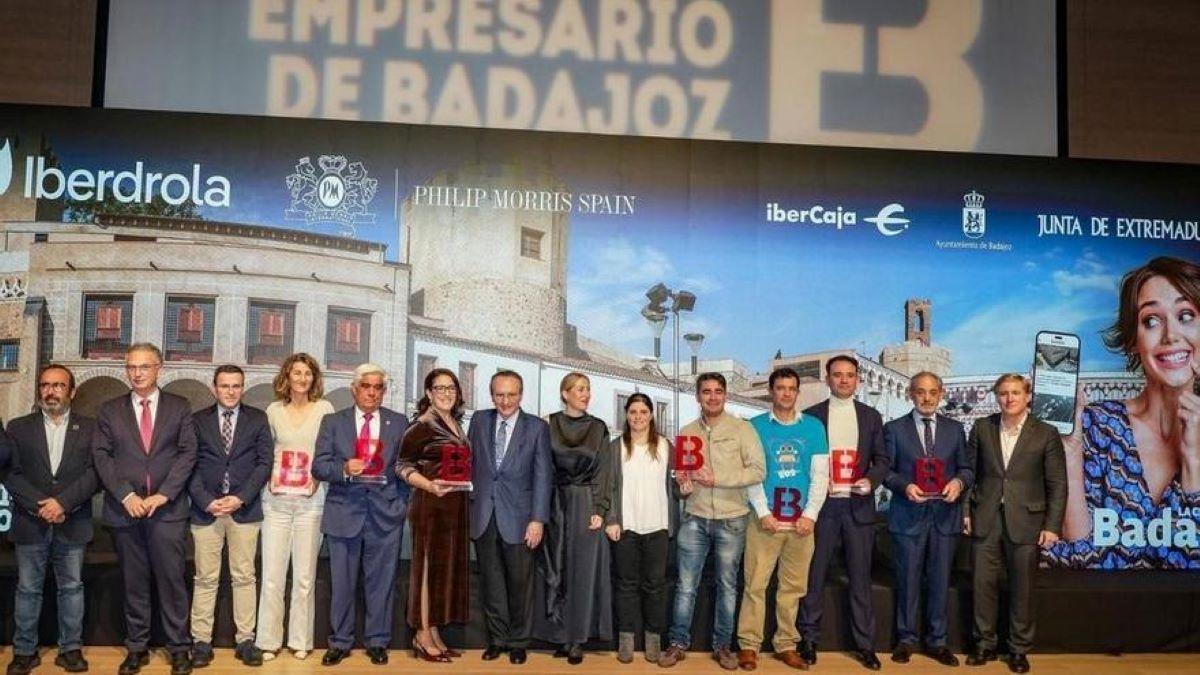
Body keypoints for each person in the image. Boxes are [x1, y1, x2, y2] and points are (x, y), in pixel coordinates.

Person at [1046, 256, 1200, 569]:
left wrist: (1193, 463)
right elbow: (1080, 560)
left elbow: (1189, 565)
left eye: (1186, 315)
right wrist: (1072, 452)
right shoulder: (1098, 427)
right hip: (1103, 616)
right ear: (1133, 341)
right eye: (1151, 321)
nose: (1171, 335)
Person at [92, 343, 196, 675]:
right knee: (133, 582)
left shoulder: (180, 407)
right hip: (126, 511)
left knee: (172, 582)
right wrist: (126, 496)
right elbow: (101, 456)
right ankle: (137, 647)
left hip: (167, 511)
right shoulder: (110, 410)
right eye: (131, 367)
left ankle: (179, 647)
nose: (137, 373)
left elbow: (187, 454)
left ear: (159, 368)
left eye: (144, 367)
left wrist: (164, 494)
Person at [660, 372, 765, 671]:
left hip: (732, 520)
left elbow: (758, 471)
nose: (713, 396)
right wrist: (683, 485)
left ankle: (723, 646)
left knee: (727, 585)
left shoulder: (742, 429)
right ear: (698, 397)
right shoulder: (686, 431)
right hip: (695, 518)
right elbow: (682, 479)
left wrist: (719, 479)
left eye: (718, 391)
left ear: (725, 395)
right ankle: (678, 642)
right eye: (706, 391)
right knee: (685, 585)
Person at [965, 374, 1067, 674]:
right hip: (985, 519)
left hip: (1028, 522)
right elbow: (969, 474)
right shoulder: (982, 427)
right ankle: (984, 645)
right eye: (1003, 393)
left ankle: (1018, 650)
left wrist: (1053, 525)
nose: (1009, 398)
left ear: (1028, 397)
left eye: (1015, 393)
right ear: (997, 397)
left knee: (1023, 590)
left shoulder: (1046, 433)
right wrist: (965, 513)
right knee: (982, 586)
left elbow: (1057, 483)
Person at [312, 363, 410, 666]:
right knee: (341, 583)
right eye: (366, 386)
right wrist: (343, 468)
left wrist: (401, 504)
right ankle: (339, 642)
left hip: (385, 514)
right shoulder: (333, 422)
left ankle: (377, 641)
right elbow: (318, 466)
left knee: (382, 583)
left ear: (383, 391)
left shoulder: (399, 421)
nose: (371, 392)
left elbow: (406, 467)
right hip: (344, 512)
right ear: (355, 389)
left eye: (377, 387)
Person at [798, 355, 889, 671]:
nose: (844, 380)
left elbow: (882, 460)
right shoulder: (810, 417)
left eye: (850, 375)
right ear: (828, 378)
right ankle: (808, 640)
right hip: (821, 507)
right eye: (838, 375)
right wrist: (819, 482)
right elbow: (803, 461)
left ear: (858, 379)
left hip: (858, 507)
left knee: (861, 579)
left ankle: (865, 645)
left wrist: (870, 480)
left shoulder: (871, 417)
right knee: (814, 576)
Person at [4, 364, 97, 675]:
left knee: (71, 588)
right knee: (28, 589)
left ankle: (70, 650)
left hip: (73, 521)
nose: (50, 391)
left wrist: (63, 503)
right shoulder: (17, 427)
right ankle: (24, 651)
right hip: (31, 522)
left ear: (72, 391)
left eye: (58, 385)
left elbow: (94, 473)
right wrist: (40, 505)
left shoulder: (91, 428)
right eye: (45, 385)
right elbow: (9, 473)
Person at [735, 367, 830, 671]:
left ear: (797, 392)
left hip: (801, 524)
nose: (786, 393)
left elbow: (819, 477)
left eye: (791, 388)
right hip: (765, 521)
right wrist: (763, 512)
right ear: (771, 392)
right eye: (780, 388)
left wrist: (810, 515)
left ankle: (786, 643)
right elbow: (751, 474)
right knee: (755, 585)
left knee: (792, 588)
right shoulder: (755, 427)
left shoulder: (814, 427)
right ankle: (749, 645)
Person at [882, 372, 972, 666]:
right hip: (908, 516)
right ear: (911, 394)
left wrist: (958, 483)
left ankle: (937, 642)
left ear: (941, 393)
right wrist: (904, 486)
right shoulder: (894, 429)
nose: (927, 398)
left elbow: (966, 469)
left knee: (939, 581)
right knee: (907, 581)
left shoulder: (955, 429)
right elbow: (886, 471)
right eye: (920, 392)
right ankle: (905, 640)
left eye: (932, 392)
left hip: (945, 517)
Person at [187, 365, 273, 668]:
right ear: (214, 388)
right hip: (205, 511)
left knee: (244, 577)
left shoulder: (258, 419)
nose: (231, 391)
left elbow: (265, 464)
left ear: (243, 387)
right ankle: (201, 642)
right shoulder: (197, 421)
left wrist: (240, 498)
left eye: (236, 386)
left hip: (245, 511)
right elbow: (189, 464)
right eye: (225, 386)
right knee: (205, 579)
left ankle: (245, 641)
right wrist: (207, 501)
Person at [467, 370, 553, 665]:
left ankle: (518, 642)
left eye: (511, 394)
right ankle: (497, 640)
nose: (505, 401)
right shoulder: (478, 420)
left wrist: (538, 519)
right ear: (492, 395)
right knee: (491, 584)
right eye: (499, 395)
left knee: (520, 585)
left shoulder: (537, 428)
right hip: (483, 516)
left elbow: (544, 476)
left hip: (521, 519)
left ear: (521, 394)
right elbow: (470, 464)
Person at [256, 353, 334, 661]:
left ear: (314, 379)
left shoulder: (325, 409)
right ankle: (268, 640)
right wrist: (271, 480)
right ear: (286, 377)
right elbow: (266, 454)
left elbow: (328, 452)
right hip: (275, 502)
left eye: (307, 374)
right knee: (272, 575)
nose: (302, 378)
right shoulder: (273, 410)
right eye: (296, 373)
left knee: (304, 577)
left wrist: (317, 478)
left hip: (311, 503)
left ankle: (301, 639)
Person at [533, 372, 613, 664]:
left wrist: (599, 509)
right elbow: (540, 467)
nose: (585, 393)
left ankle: (578, 638)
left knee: (582, 572)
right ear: (564, 393)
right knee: (556, 568)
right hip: (554, 503)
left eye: (588, 389)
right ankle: (559, 635)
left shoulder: (598, 427)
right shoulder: (547, 423)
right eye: (579, 389)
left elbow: (605, 472)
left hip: (585, 503)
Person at [397, 368, 472, 662]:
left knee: (444, 573)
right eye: (439, 388)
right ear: (428, 393)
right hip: (429, 506)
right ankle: (422, 634)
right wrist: (428, 484)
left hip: (454, 507)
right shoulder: (422, 424)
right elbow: (401, 465)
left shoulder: (456, 423)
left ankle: (435, 632)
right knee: (427, 572)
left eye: (451, 388)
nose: (446, 393)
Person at [605, 393, 684, 665]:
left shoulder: (666, 447)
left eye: (643, 411)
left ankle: (653, 639)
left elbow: (676, 486)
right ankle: (625, 639)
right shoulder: (615, 447)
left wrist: (685, 485)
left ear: (652, 415)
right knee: (625, 585)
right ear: (626, 415)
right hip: (625, 528)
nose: (638, 417)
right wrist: (611, 519)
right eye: (633, 412)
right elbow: (609, 488)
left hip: (658, 527)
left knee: (655, 586)